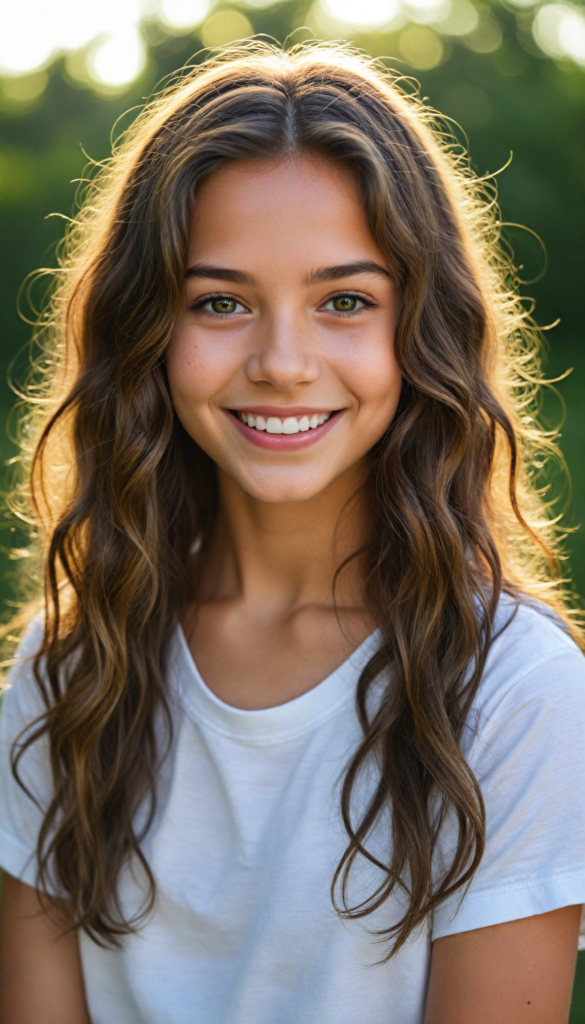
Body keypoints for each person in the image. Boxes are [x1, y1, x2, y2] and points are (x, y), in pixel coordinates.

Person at [0, 40, 584, 1024]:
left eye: (345, 301)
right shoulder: (70, 662)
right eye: (220, 302)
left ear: (422, 330)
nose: (281, 361)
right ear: (147, 328)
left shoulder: (517, 691)